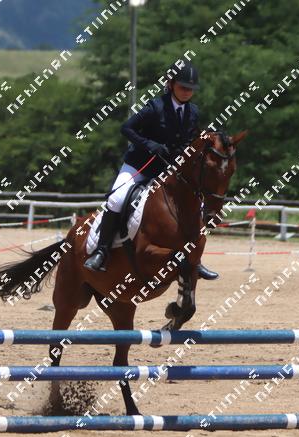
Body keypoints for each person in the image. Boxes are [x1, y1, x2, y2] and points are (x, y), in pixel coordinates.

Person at [84, 63, 219, 280]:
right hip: (140, 164)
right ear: (171, 84)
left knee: (197, 204)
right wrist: (149, 144)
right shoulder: (155, 107)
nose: (187, 92)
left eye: (191, 89)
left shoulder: (193, 112)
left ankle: (195, 260)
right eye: (183, 87)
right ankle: (102, 251)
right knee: (117, 199)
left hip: (168, 169)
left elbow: (188, 140)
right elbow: (126, 128)